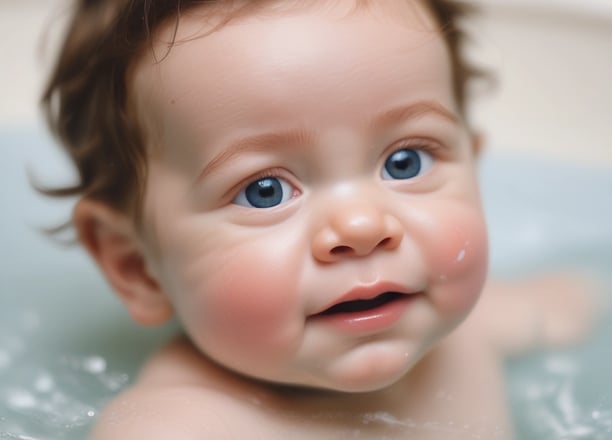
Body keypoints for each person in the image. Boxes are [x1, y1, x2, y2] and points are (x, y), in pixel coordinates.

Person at [41, 0, 594, 438]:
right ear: (134, 265)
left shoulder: (472, 331)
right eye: (264, 191)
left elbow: (581, 298)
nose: (361, 226)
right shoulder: (181, 428)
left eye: (406, 161)